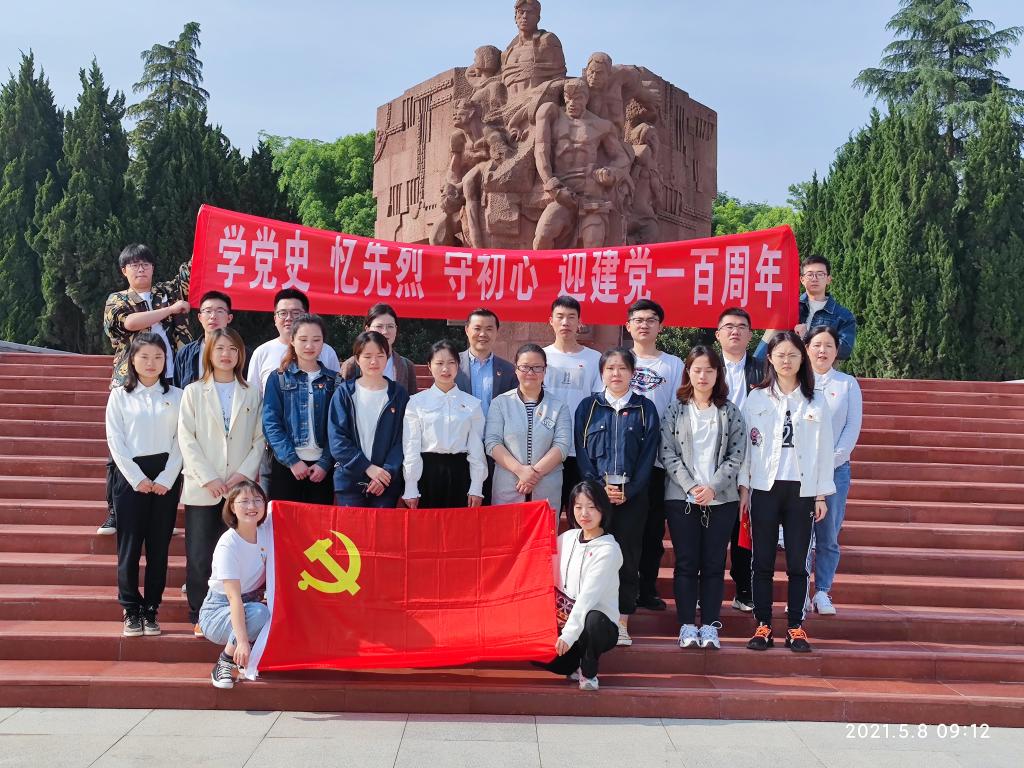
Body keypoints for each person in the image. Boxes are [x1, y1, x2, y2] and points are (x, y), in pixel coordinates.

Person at [739, 331, 835, 653]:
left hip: (802, 490)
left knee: (797, 562)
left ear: (801, 358)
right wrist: (744, 488)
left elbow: (824, 450)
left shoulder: (815, 399)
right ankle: (763, 624)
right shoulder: (757, 398)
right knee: (762, 561)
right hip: (764, 487)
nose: (786, 361)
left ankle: (796, 626)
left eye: (793, 355)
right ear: (770, 358)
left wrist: (820, 494)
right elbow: (746, 447)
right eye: (780, 354)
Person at [178, 328, 265, 638]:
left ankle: (237, 612)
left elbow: (259, 439)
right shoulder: (193, 391)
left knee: (237, 553)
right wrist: (209, 477)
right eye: (219, 349)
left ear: (241, 354)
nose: (226, 354)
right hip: (204, 487)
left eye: (232, 349)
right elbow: (186, 438)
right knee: (200, 554)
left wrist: (242, 475)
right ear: (209, 354)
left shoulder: (251, 392)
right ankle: (199, 613)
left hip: (239, 490)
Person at [99, 244, 191, 535]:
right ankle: (115, 513)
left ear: (153, 268)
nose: (141, 269)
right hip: (130, 381)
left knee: (173, 445)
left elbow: (190, 273)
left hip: (171, 379)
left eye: (146, 264)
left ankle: (164, 512)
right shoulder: (117, 299)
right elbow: (129, 323)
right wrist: (171, 310)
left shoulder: (167, 291)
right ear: (124, 271)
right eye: (134, 265)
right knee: (120, 450)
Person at [660, 346, 746, 650]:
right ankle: (686, 624)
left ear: (718, 374)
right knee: (685, 562)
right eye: (697, 369)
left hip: (721, 500)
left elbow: (737, 454)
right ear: (688, 372)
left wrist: (713, 487)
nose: (703, 376)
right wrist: (690, 486)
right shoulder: (675, 409)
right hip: (681, 499)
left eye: (709, 370)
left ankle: (709, 625)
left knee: (713, 563)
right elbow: (667, 452)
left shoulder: (730, 411)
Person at [574, 348, 659, 647]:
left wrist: (629, 491)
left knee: (627, 559)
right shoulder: (588, 407)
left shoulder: (645, 409)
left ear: (633, 373)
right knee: (593, 558)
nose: (616, 373)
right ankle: (588, 618)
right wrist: (599, 489)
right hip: (595, 501)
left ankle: (622, 622)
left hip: (632, 500)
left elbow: (649, 457)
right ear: (602, 373)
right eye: (610, 368)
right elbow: (581, 453)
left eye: (622, 368)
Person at [104, 332, 183, 638]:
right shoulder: (119, 396)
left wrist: (166, 478)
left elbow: (182, 440)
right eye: (144, 357)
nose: (151, 363)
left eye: (158, 357)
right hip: (130, 478)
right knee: (130, 546)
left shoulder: (177, 396)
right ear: (132, 361)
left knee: (159, 547)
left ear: (166, 361)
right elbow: (116, 440)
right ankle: (130, 608)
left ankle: (151, 609)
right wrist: (136, 478)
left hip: (165, 478)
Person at [626, 298, 685, 613]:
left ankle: (647, 588)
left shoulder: (673, 365)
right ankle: (622, 590)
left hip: (659, 461)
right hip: (622, 461)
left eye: (651, 320)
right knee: (623, 528)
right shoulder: (617, 360)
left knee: (652, 529)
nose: (644, 325)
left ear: (660, 327)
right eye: (638, 320)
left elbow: (678, 410)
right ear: (628, 326)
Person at [804, 326, 862, 616]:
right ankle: (801, 590)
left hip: (835, 470)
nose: (822, 351)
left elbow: (851, 428)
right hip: (800, 470)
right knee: (800, 535)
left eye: (828, 345)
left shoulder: (847, 384)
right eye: (817, 345)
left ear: (837, 351)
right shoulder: (796, 382)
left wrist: (829, 462)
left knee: (828, 534)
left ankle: (823, 591)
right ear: (806, 349)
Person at [544, 481, 622, 692]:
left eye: (591, 507)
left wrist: (568, 635)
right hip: (563, 623)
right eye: (578, 507)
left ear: (603, 509)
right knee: (538, 654)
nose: (584, 513)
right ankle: (572, 665)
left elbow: (587, 599)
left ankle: (588, 670)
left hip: (596, 626)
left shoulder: (609, 550)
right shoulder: (567, 538)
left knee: (593, 620)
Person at [200, 481, 273, 690]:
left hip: (250, 602)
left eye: (257, 500)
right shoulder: (228, 544)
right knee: (260, 614)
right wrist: (241, 642)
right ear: (232, 506)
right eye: (245, 501)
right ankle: (225, 661)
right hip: (218, 611)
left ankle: (248, 655)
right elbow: (233, 597)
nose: (252, 507)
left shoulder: (266, 531)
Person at [484, 343, 572, 515]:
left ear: (545, 370)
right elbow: (492, 443)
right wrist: (520, 471)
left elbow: (562, 445)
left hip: (546, 487)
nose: (530, 372)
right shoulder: (500, 403)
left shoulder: (559, 406)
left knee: (543, 531)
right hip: (508, 485)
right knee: (507, 530)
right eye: (524, 367)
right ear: (516, 369)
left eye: (537, 367)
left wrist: (533, 475)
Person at [714, 307, 761, 612]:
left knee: (745, 525)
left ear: (750, 335)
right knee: (714, 528)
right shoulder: (706, 365)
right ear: (718, 334)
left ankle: (744, 589)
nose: (735, 331)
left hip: (751, 457)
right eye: (729, 326)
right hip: (711, 458)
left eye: (742, 326)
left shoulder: (763, 369)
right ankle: (709, 590)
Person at [262, 314, 337, 505]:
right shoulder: (278, 378)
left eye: (316, 340)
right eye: (303, 339)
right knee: (284, 522)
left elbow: (339, 427)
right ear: (292, 341)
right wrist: (292, 460)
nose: (309, 346)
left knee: (319, 524)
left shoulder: (335, 381)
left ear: (323, 343)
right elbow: (270, 423)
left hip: (323, 470)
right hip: (286, 466)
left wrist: (325, 463)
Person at [329, 331, 409, 508]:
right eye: (367, 356)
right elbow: (337, 440)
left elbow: (404, 439)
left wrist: (386, 472)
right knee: (351, 527)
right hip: (349, 481)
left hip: (386, 482)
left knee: (383, 527)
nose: (374, 361)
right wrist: (367, 467)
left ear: (387, 357)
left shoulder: (398, 394)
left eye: (380, 356)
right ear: (357, 359)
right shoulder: (344, 393)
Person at [403, 340, 487, 509]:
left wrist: (476, 486)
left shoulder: (472, 404)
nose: (445, 369)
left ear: (458, 366)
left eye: (451, 363)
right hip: (427, 473)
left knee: (458, 524)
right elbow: (411, 444)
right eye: (439, 363)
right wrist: (411, 486)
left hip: (461, 473)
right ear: (429, 366)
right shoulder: (416, 402)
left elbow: (476, 447)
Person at [542, 296, 602, 516]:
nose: (565, 322)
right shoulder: (541, 356)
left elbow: (598, 402)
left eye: (571, 317)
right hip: (546, 448)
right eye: (560, 317)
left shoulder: (594, 359)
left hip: (581, 448)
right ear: (551, 321)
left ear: (580, 322)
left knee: (582, 512)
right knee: (548, 514)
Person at [455, 308, 517, 503]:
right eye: (477, 328)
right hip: (459, 449)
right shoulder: (452, 365)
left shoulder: (508, 370)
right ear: (467, 330)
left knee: (490, 506)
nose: (483, 334)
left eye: (489, 329)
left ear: (497, 332)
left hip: (495, 450)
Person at [757, 255, 857, 362]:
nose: (814, 278)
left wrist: (808, 336)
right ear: (802, 279)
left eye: (820, 274)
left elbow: (844, 351)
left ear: (828, 279)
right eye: (810, 274)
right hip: (787, 367)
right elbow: (769, 342)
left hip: (819, 370)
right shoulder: (788, 308)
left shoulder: (843, 316)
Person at [247, 288, 340, 394]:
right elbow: (253, 397)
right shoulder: (261, 352)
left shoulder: (326, 351)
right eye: (283, 313)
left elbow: (336, 391)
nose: (289, 318)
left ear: (306, 316)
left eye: (296, 313)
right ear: (275, 319)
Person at [339, 304, 418, 395]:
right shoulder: (351, 365)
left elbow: (412, 400)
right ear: (367, 329)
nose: (385, 332)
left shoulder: (407, 366)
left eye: (390, 326)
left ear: (396, 329)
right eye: (379, 326)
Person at [174, 290, 247, 388]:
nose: (213, 316)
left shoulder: (242, 353)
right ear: (200, 317)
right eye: (208, 311)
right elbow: (178, 390)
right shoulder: (185, 354)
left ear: (229, 318)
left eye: (219, 311)